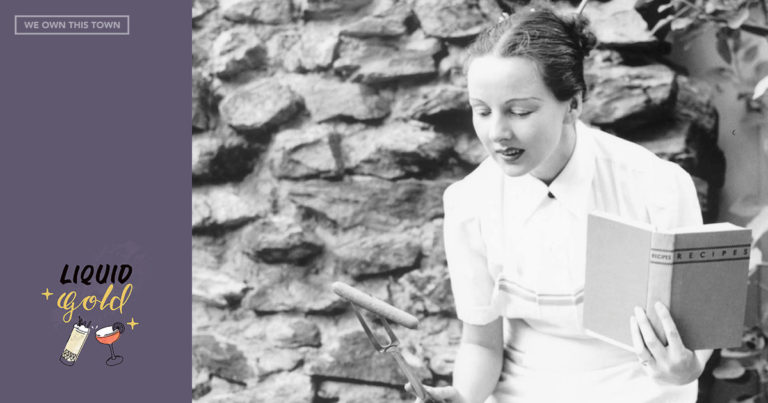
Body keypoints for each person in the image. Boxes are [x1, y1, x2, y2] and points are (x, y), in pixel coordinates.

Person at [405, 7, 713, 403]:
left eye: (520, 111)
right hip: (524, 390)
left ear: (574, 104)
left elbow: (697, 334)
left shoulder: (657, 186)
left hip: (641, 388)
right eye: (481, 111)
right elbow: (481, 344)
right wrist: (462, 398)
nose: (497, 132)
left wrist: (688, 366)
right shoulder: (469, 202)